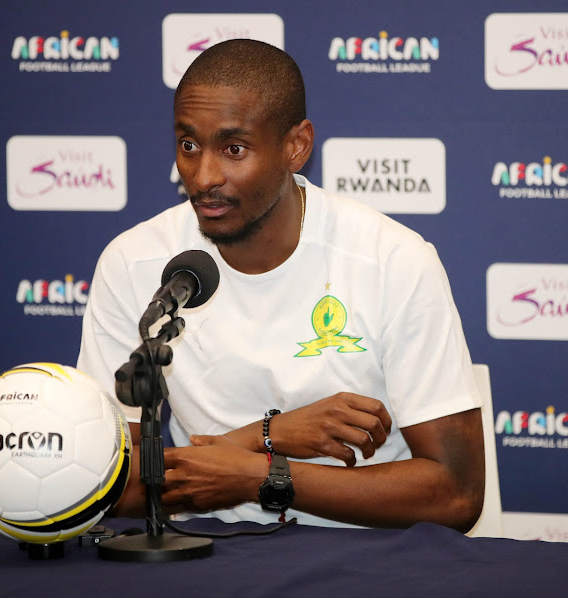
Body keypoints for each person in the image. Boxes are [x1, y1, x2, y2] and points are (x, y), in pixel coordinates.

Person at [77, 39, 485, 531]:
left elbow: (457, 496)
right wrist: (266, 436)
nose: (203, 176)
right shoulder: (133, 263)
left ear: (296, 146)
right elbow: (100, 489)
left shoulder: (391, 260)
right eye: (188, 145)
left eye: (234, 149)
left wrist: (261, 475)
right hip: (205, 546)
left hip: (367, 556)